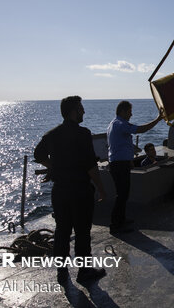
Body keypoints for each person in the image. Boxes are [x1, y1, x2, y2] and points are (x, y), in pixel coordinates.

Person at [34, 96, 107, 285]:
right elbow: (91, 166)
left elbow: (38, 154)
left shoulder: (52, 134)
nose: (84, 112)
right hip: (80, 191)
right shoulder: (82, 134)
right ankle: (84, 272)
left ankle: (61, 272)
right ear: (73, 112)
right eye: (81, 109)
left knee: (62, 231)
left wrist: (54, 167)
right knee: (82, 232)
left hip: (60, 192)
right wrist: (101, 188)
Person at [107, 101, 162, 234]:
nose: (131, 114)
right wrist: (158, 118)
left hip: (120, 163)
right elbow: (142, 130)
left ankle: (121, 219)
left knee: (124, 194)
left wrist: (130, 160)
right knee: (121, 195)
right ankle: (115, 225)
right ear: (123, 111)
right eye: (129, 112)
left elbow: (122, 144)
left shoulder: (114, 124)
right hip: (119, 164)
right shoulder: (120, 124)